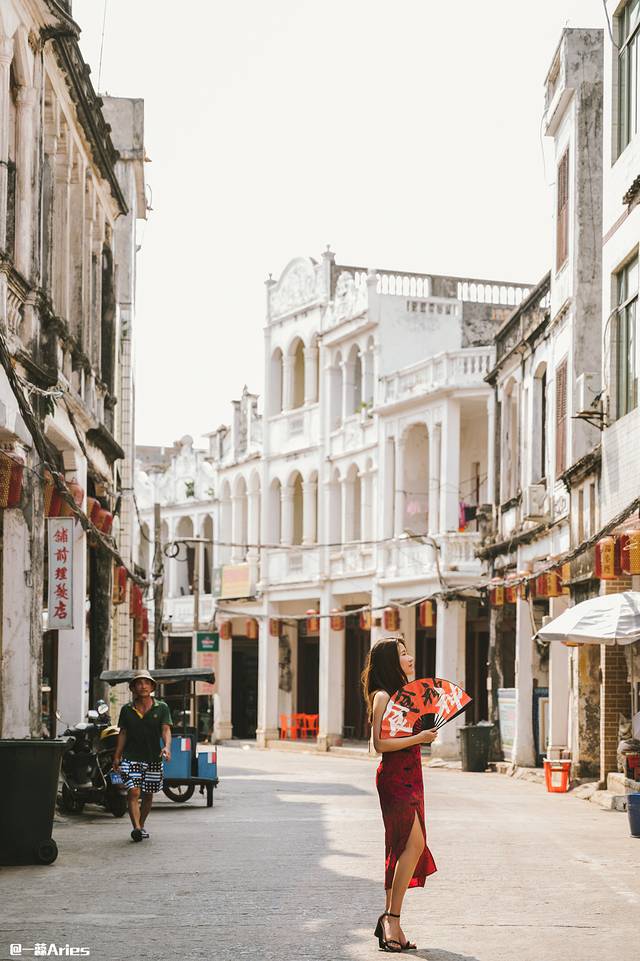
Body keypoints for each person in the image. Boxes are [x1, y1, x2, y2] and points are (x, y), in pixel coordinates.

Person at [362, 637, 438, 952]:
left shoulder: (404, 697)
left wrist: (422, 736)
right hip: (395, 778)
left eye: (407, 652)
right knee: (413, 845)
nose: (410, 658)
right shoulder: (382, 696)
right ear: (390, 663)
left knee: (402, 848)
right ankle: (391, 918)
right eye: (403, 654)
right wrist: (419, 737)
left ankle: (393, 922)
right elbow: (378, 744)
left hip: (412, 775)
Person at [112, 670, 172, 842]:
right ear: (133, 688)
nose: (143, 686)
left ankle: (141, 825)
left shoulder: (162, 707)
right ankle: (136, 828)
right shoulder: (127, 709)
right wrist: (117, 756)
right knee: (133, 791)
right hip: (131, 757)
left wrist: (167, 747)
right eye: (139, 683)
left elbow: (166, 730)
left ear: (152, 687)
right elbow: (123, 733)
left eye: (146, 683)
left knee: (148, 795)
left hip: (153, 758)